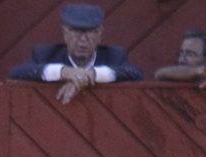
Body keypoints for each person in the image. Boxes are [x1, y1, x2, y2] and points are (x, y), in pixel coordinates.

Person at [9, 3, 143, 105]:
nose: (83, 40)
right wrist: (64, 72)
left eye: (90, 32)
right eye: (76, 31)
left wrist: (91, 75)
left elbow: (135, 73)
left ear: (100, 34)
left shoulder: (115, 55)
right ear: (64, 33)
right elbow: (16, 72)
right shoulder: (45, 54)